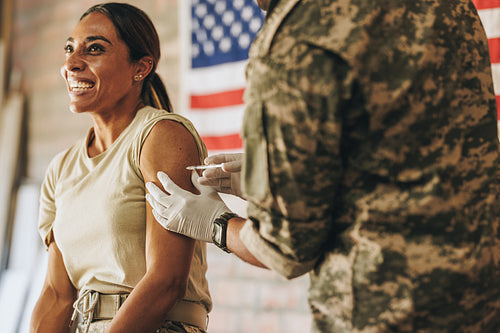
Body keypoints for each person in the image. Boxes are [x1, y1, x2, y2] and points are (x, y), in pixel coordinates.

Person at [146, 0, 500, 332]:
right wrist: (275, 175)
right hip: (482, 297)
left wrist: (216, 223)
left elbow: (287, 248)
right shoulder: (448, 6)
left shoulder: (300, 40)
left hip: (385, 310)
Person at [30, 3, 211, 333]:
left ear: (140, 68)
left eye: (95, 48)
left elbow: (166, 281)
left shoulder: (161, 136)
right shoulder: (61, 169)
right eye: (70, 49)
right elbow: (57, 295)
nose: (71, 63)